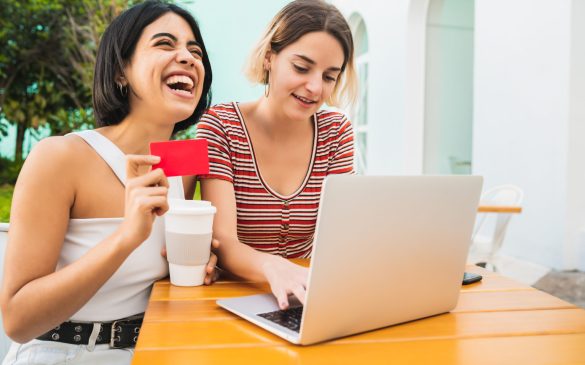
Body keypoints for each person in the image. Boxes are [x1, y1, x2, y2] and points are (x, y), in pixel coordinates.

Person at [1, 1, 215, 363]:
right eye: (165, 44)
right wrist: (126, 238)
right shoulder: (60, 157)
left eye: (195, 51)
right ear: (120, 72)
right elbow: (18, 320)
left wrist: (205, 264)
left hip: (149, 351)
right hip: (60, 351)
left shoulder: (187, 165)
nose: (188, 57)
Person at [189, 0, 358, 310]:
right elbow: (223, 240)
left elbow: (341, 234)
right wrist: (272, 267)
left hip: (306, 296)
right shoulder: (221, 126)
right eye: (302, 67)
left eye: (329, 76)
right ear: (269, 58)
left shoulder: (336, 132)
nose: (315, 87)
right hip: (234, 297)